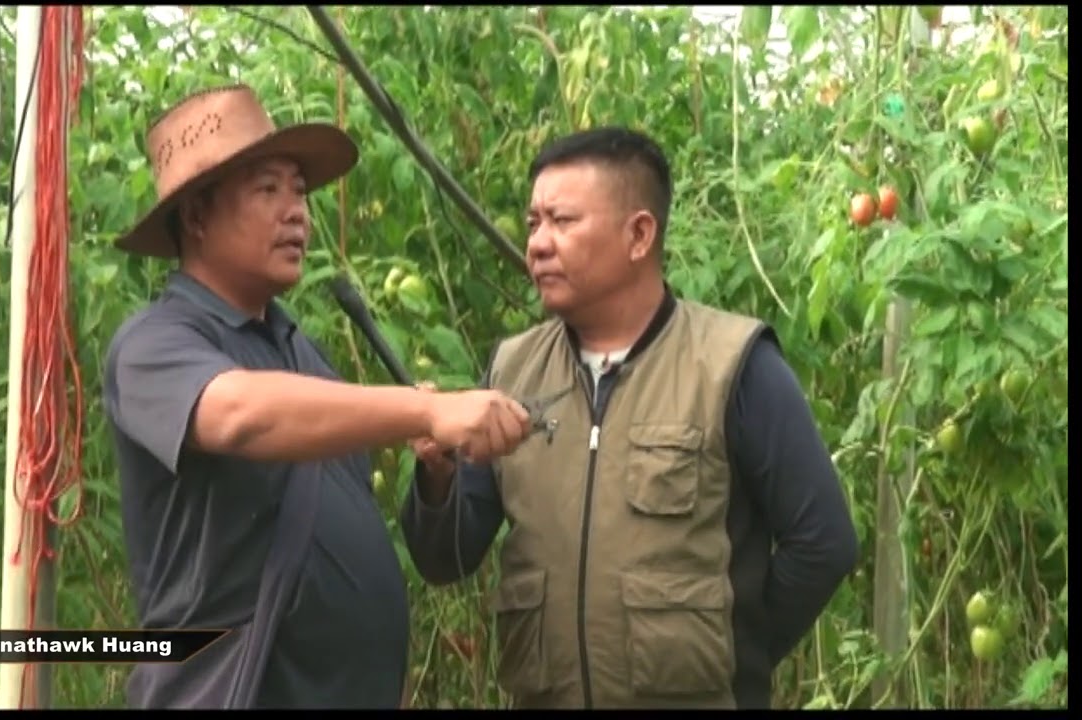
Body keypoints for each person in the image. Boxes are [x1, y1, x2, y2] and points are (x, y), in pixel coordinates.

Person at [101, 84, 532, 710]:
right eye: (267, 189)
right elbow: (241, 417)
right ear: (197, 215)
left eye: (299, 190)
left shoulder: (300, 354)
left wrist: (433, 471)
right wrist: (426, 407)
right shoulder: (153, 344)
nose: (296, 211)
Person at [400, 127, 859, 709]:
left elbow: (824, 543)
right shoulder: (513, 370)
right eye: (534, 221)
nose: (538, 243)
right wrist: (437, 476)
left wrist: (736, 653)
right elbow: (447, 559)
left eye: (563, 221)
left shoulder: (731, 365)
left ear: (640, 234)